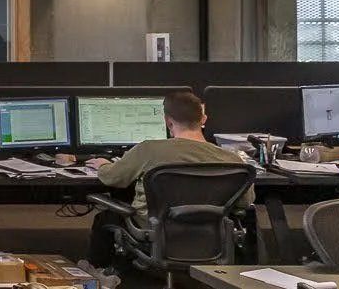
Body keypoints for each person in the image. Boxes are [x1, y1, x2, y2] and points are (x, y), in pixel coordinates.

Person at [84, 91, 252, 270]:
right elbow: (246, 202)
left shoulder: (149, 150)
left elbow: (113, 178)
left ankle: (98, 275)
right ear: (203, 119)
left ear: (167, 121)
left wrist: (102, 165)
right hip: (210, 230)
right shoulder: (232, 160)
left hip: (154, 227)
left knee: (105, 218)